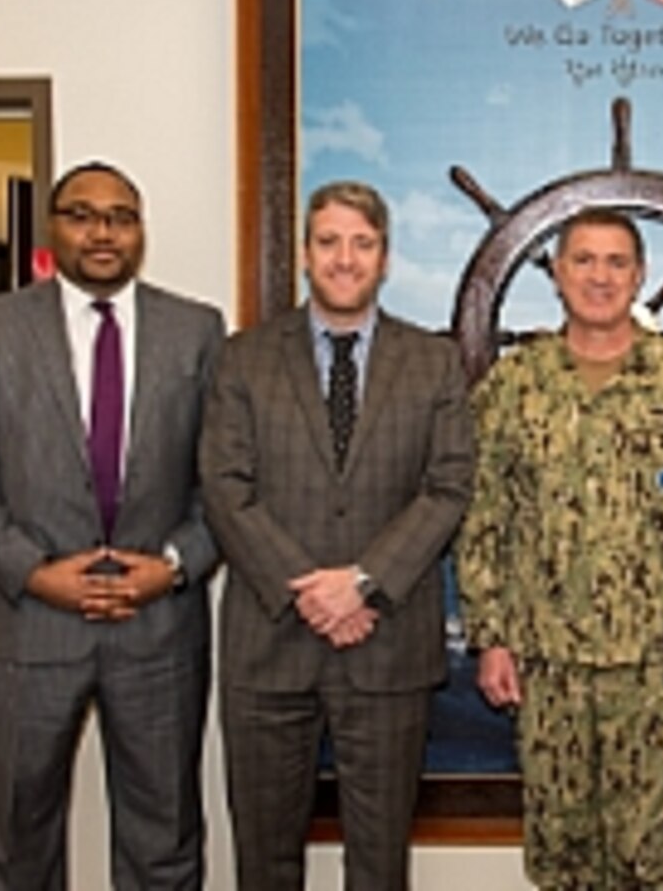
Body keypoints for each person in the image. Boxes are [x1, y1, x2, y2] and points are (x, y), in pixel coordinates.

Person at [0, 161, 225, 890]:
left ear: (140, 231)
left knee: (165, 843)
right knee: (13, 843)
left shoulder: (196, 329)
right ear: (53, 226)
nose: (102, 231)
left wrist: (177, 564)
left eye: (120, 216)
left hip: (158, 629)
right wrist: (31, 569)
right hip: (29, 624)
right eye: (82, 214)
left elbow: (226, 478)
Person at [456, 207, 663, 890]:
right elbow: (484, 517)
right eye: (583, 259)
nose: (600, 276)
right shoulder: (511, 387)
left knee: (650, 853)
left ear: (640, 275)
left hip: (656, 663)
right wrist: (490, 636)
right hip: (545, 661)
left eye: (617, 262)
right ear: (556, 273)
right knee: (560, 854)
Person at [200, 180, 473, 890]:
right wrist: (309, 591)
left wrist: (359, 582)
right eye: (329, 241)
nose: (344, 258)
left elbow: (448, 486)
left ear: (384, 258)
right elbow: (226, 488)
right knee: (264, 860)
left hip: (386, 643)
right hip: (268, 646)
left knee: (380, 864)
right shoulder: (243, 358)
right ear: (304, 254)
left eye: (362, 242)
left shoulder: (434, 361)